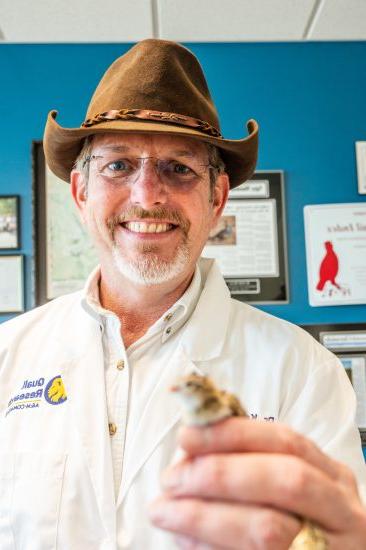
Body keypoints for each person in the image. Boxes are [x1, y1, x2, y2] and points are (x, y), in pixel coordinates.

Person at [0, 39, 365, 550]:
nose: (148, 194)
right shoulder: (9, 356)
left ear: (216, 199)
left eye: (179, 168)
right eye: (118, 166)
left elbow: (332, 535)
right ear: (81, 193)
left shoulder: (302, 371)